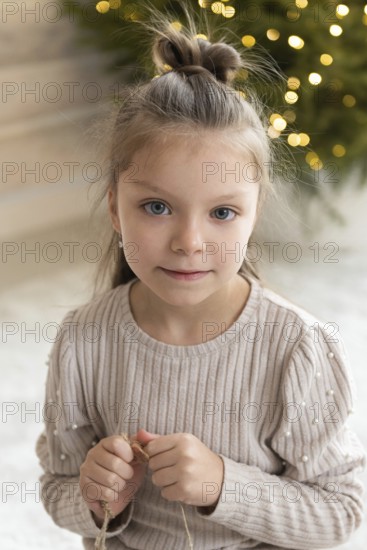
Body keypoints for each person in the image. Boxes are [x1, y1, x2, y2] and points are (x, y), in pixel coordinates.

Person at [35, 3, 365, 549]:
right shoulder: (83, 339)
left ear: (254, 212)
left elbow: (339, 512)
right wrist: (98, 499)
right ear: (116, 207)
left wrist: (222, 484)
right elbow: (57, 490)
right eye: (157, 207)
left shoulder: (297, 348)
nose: (190, 242)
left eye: (222, 213)